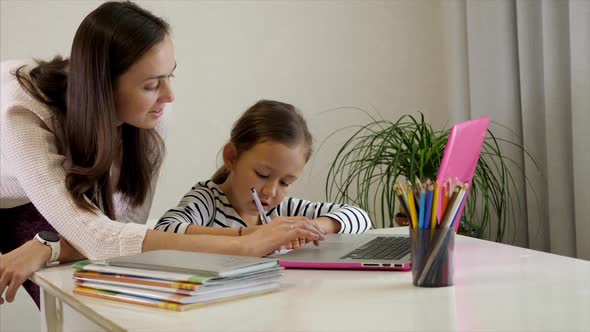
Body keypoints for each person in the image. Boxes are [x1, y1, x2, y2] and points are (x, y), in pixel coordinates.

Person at [0, 1, 322, 308]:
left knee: (91, 288)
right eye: (152, 85)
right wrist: (242, 244)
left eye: (170, 75)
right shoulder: (23, 114)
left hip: (48, 181)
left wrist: (47, 247)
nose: (169, 96)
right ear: (104, 86)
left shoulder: (153, 114)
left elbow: (121, 232)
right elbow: (101, 239)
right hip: (10, 185)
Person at [155, 100, 372, 247]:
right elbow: (164, 231)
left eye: (286, 182)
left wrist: (313, 227)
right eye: (262, 174)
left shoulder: (281, 210)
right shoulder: (208, 201)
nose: (270, 192)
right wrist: (251, 236)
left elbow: (359, 216)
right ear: (231, 157)